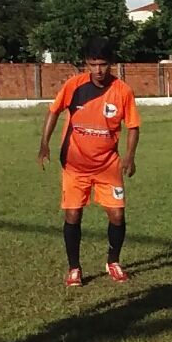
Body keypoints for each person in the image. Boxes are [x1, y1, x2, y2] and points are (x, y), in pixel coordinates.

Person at [37, 37, 141, 286]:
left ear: (110, 64)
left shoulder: (122, 91)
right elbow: (53, 111)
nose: (98, 70)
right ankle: (74, 268)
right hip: (75, 166)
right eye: (93, 64)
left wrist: (130, 156)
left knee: (117, 215)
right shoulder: (74, 85)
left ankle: (113, 262)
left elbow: (133, 126)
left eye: (103, 64)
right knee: (73, 215)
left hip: (108, 166)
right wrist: (44, 143)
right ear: (86, 63)